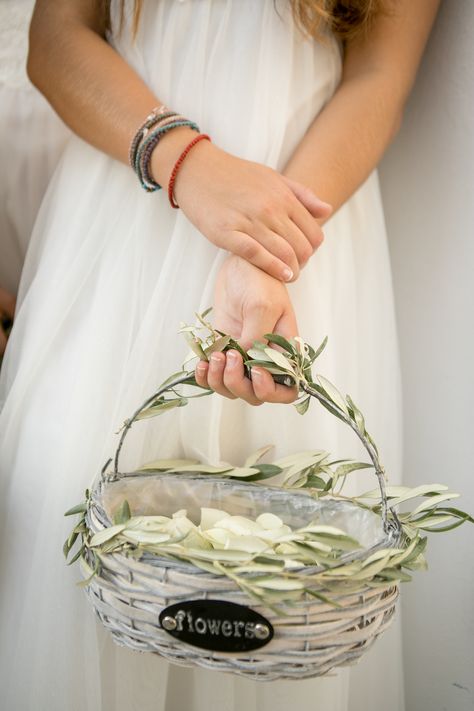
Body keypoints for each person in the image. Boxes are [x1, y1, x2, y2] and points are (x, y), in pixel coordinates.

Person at [0, 1, 439, 710]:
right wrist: (190, 168)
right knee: (76, 553)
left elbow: (380, 75)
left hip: (305, 246)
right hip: (120, 231)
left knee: (281, 584)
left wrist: (266, 260)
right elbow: (55, 42)